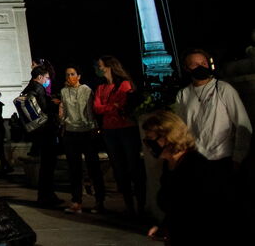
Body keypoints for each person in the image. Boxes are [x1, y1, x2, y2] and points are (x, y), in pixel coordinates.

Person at [142, 110, 233, 245]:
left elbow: (202, 212)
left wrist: (173, 229)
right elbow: (176, 208)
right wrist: (165, 227)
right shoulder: (169, 164)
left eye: (151, 139)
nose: (148, 144)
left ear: (168, 137)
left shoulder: (195, 166)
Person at [173, 49, 251, 175]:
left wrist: (238, 158)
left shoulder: (223, 89)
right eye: (195, 64)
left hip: (223, 158)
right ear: (187, 68)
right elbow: (180, 128)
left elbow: (243, 125)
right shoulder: (183, 94)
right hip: (196, 160)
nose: (201, 67)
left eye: (204, 63)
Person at [93, 55, 145, 216]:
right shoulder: (100, 88)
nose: (98, 68)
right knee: (119, 169)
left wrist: (107, 107)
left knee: (133, 167)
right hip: (109, 130)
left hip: (126, 129)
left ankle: (141, 206)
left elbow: (123, 104)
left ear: (109, 66)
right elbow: (96, 108)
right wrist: (112, 106)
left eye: (100, 65)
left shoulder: (124, 84)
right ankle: (129, 206)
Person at [59, 64, 105, 214]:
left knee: (93, 168)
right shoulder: (63, 92)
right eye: (67, 75)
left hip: (86, 132)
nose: (69, 77)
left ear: (78, 76)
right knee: (74, 169)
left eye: (72, 74)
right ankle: (76, 201)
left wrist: (93, 128)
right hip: (70, 132)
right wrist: (62, 122)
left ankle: (99, 201)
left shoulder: (86, 90)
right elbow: (64, 112)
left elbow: (90, 111)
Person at [23, 66, 63, 208]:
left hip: (38, 132)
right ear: (40, 77)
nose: (48, 81)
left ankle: (47, 195)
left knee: (46, 165)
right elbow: (44, 109)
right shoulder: (38, 88)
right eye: (46, 78)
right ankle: (46, 196)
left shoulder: (28, 88)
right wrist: (55, 106)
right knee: (48, 166)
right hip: (46, 132)